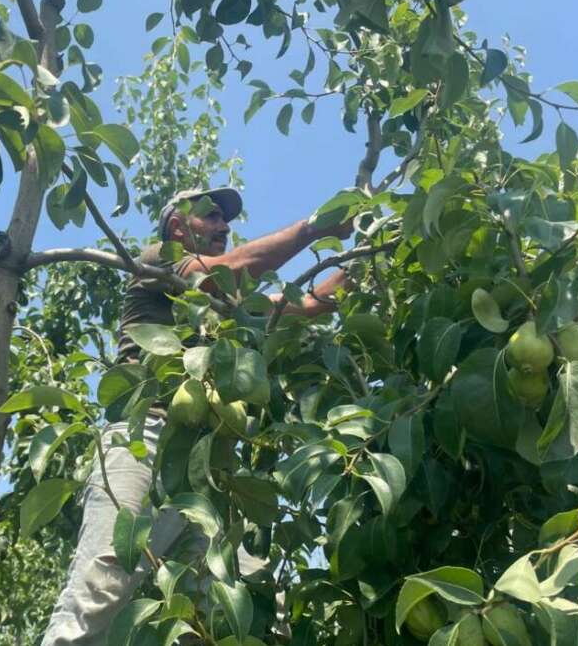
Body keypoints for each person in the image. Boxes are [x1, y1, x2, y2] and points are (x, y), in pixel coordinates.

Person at [40, 187, 353, 645]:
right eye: (211, 217)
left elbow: (306, 310)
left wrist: (360, 265)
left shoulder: (230, 307)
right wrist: (316, 226)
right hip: (146, 438)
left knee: (232, 611)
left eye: (226, 221)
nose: (224, 227)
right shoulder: (158, 260)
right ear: (177, 226)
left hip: (211, 468)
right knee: (102, 588)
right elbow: (222, 275)